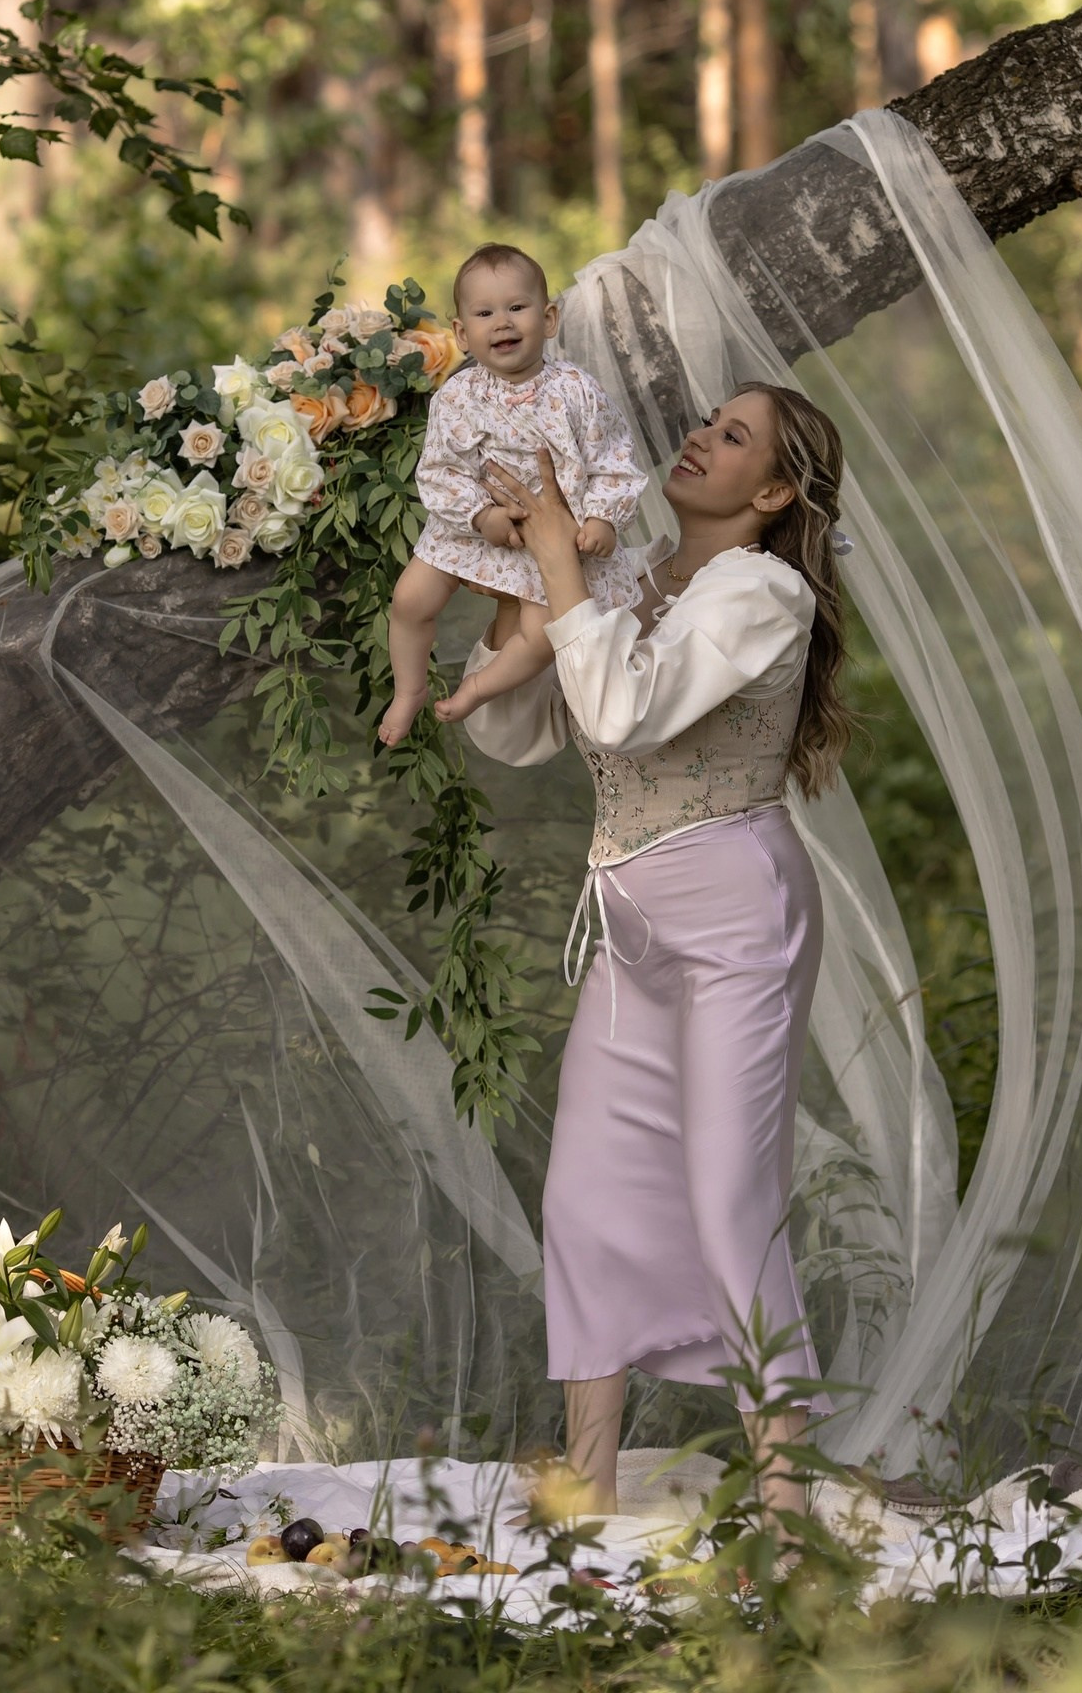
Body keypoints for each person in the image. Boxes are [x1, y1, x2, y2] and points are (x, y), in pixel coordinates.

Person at [460, 382, 852, 1534]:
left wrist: (561, 567)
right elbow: (515, 728)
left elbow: (625, 713)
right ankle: (587, 1476)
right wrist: (522, 578)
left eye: (735, 438)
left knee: (729, 1202)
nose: (700, 438)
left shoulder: (763, 592)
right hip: (630, 926)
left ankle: (784, 1498)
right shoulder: (629, 576)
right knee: (586, 1192)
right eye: (705, 422)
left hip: (736, 918)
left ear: (773, 492)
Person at [377, 244, 646, 747]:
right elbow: (438, 469)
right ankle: (409, 688)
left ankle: (481, 686)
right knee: (410, 599)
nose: (502, 322)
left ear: (548, 319)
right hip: (474, 524)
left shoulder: (577, 390)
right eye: (484, 313)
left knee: (545, 633)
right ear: (462, 333)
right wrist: (480, 515)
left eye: (516, 308)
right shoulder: (457, 396)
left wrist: (603, 518)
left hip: (550, 540)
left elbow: (613, 460)